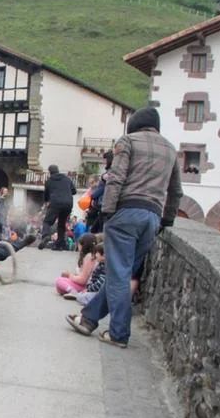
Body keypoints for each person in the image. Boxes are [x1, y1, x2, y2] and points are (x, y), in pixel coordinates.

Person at [68, 106, 180, 348]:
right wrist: (167, 221)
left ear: (134, 125)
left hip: (126, 214)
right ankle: (88, 319)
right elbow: (175, 191)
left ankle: (119, 333)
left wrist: (108, 212)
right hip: (152, 218)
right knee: (121, 273)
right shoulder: (171, 149)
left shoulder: (128, 142)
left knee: (118, 274)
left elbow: (116, 178)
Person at [38, 165, 76, 251]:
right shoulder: (67, 179)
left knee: (47, 221)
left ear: (50, 172)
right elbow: (74, 191)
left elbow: (46, 195)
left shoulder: (49, 181)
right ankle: (59, 244)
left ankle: (46, 236)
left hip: (56, 203)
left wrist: (47, 201)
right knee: (61, 224)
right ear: (58, 170)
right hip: (68, 204)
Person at [57, 233, 100, 297]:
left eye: (79, 245)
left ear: (83, 246)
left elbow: (83, 280)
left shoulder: (89, 257)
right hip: (82, 284)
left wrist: (69, 275)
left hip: (85, 286)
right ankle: (72, 290)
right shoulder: (89, 256)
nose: (78, 247)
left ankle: (74, 293)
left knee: (59, 280)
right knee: (60, 287)